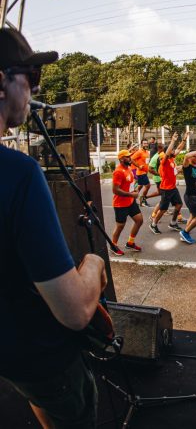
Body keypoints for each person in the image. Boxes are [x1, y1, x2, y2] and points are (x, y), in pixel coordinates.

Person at [0, 28, 106, 427]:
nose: (34, 89)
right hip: (37, 355)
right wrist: (93, 264)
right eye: (32, 77)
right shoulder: (18, 173)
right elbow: (76, 312)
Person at [149, 131, 187, 234]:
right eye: (171, 150)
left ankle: (173, 223)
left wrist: (184, 139)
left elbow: (179, 149)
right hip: (166, 189)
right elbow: (168, 152)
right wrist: (173, 140)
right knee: (163, 209)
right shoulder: (164, 162)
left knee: (179, 205)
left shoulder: (171, 159)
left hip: (173, 188)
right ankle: (153, 224)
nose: (174, 151)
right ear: (167, 152)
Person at [111, 149, 144, 254]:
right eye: (127, 157)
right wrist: (131, 194)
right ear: (121, 159)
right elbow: (115, 190)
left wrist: (134, 191)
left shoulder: (129, 168)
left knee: (139, 220)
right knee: (120, 226)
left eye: (130, 156)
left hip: (130, 201)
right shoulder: (118, 171)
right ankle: (113, 245)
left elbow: (129, 184)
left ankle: (130, 243)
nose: (130, 158)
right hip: (120, 204)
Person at [131, 139, 151, 206]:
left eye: (146, 143)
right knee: (148, 186)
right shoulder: (139, 152)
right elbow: (131, 159)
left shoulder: (147, 152)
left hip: (145, 172)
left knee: (140, 187)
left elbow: (146, 162)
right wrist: (138, 166)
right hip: (141, 172)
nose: (146, 144)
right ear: (142, 144)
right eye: (144, 143)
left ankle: (132, 199)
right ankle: (142, 200)